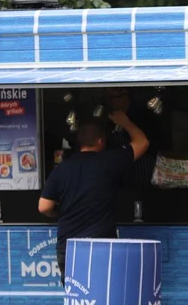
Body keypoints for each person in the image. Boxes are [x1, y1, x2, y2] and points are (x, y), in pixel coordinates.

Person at [38, 109, 149, 280]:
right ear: (101, 141)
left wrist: (60, 213)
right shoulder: (110, 161)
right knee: (102, 296)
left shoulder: (61, 169)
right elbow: (142, 142)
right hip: (102, 246)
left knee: (77, 298)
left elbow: (44, 206)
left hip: (69, 247)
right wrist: (124, 121)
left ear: (79, 143)